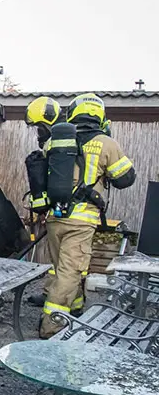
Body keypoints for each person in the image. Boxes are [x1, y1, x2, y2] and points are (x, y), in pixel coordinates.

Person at [40, 93, 136, 338]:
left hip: (54, 217)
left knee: (61, 268)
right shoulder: (105, 143)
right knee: (70, 272)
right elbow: (125, 179)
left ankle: (75, 308)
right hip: (81, 221)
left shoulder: (54, 141)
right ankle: (52, 326)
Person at [24, 96, 61, 308]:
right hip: (57, 212)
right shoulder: (54, 143)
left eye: (39, 127)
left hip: (69, 213)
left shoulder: (58, 144)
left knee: (67, 265)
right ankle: (51, 295)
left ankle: (55, 313)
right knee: (58, 262)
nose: (38, 133)